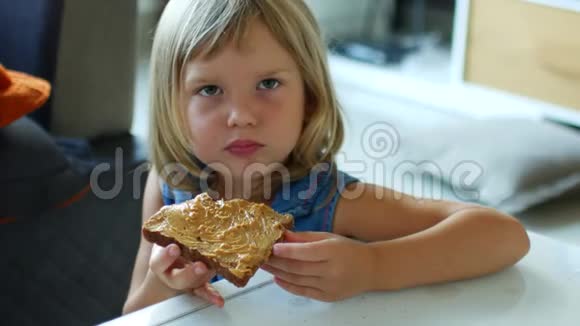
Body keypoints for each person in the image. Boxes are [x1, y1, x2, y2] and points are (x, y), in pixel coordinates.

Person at [122, 0, 529, 314]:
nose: (241, 116)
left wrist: (374, 267)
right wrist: (165, 287)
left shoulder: (328, 201)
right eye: (209, 90)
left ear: (310, 97)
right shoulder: (170, 190)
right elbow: (130, 314)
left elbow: (504, 236)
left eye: (268, 83)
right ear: (172, 105)